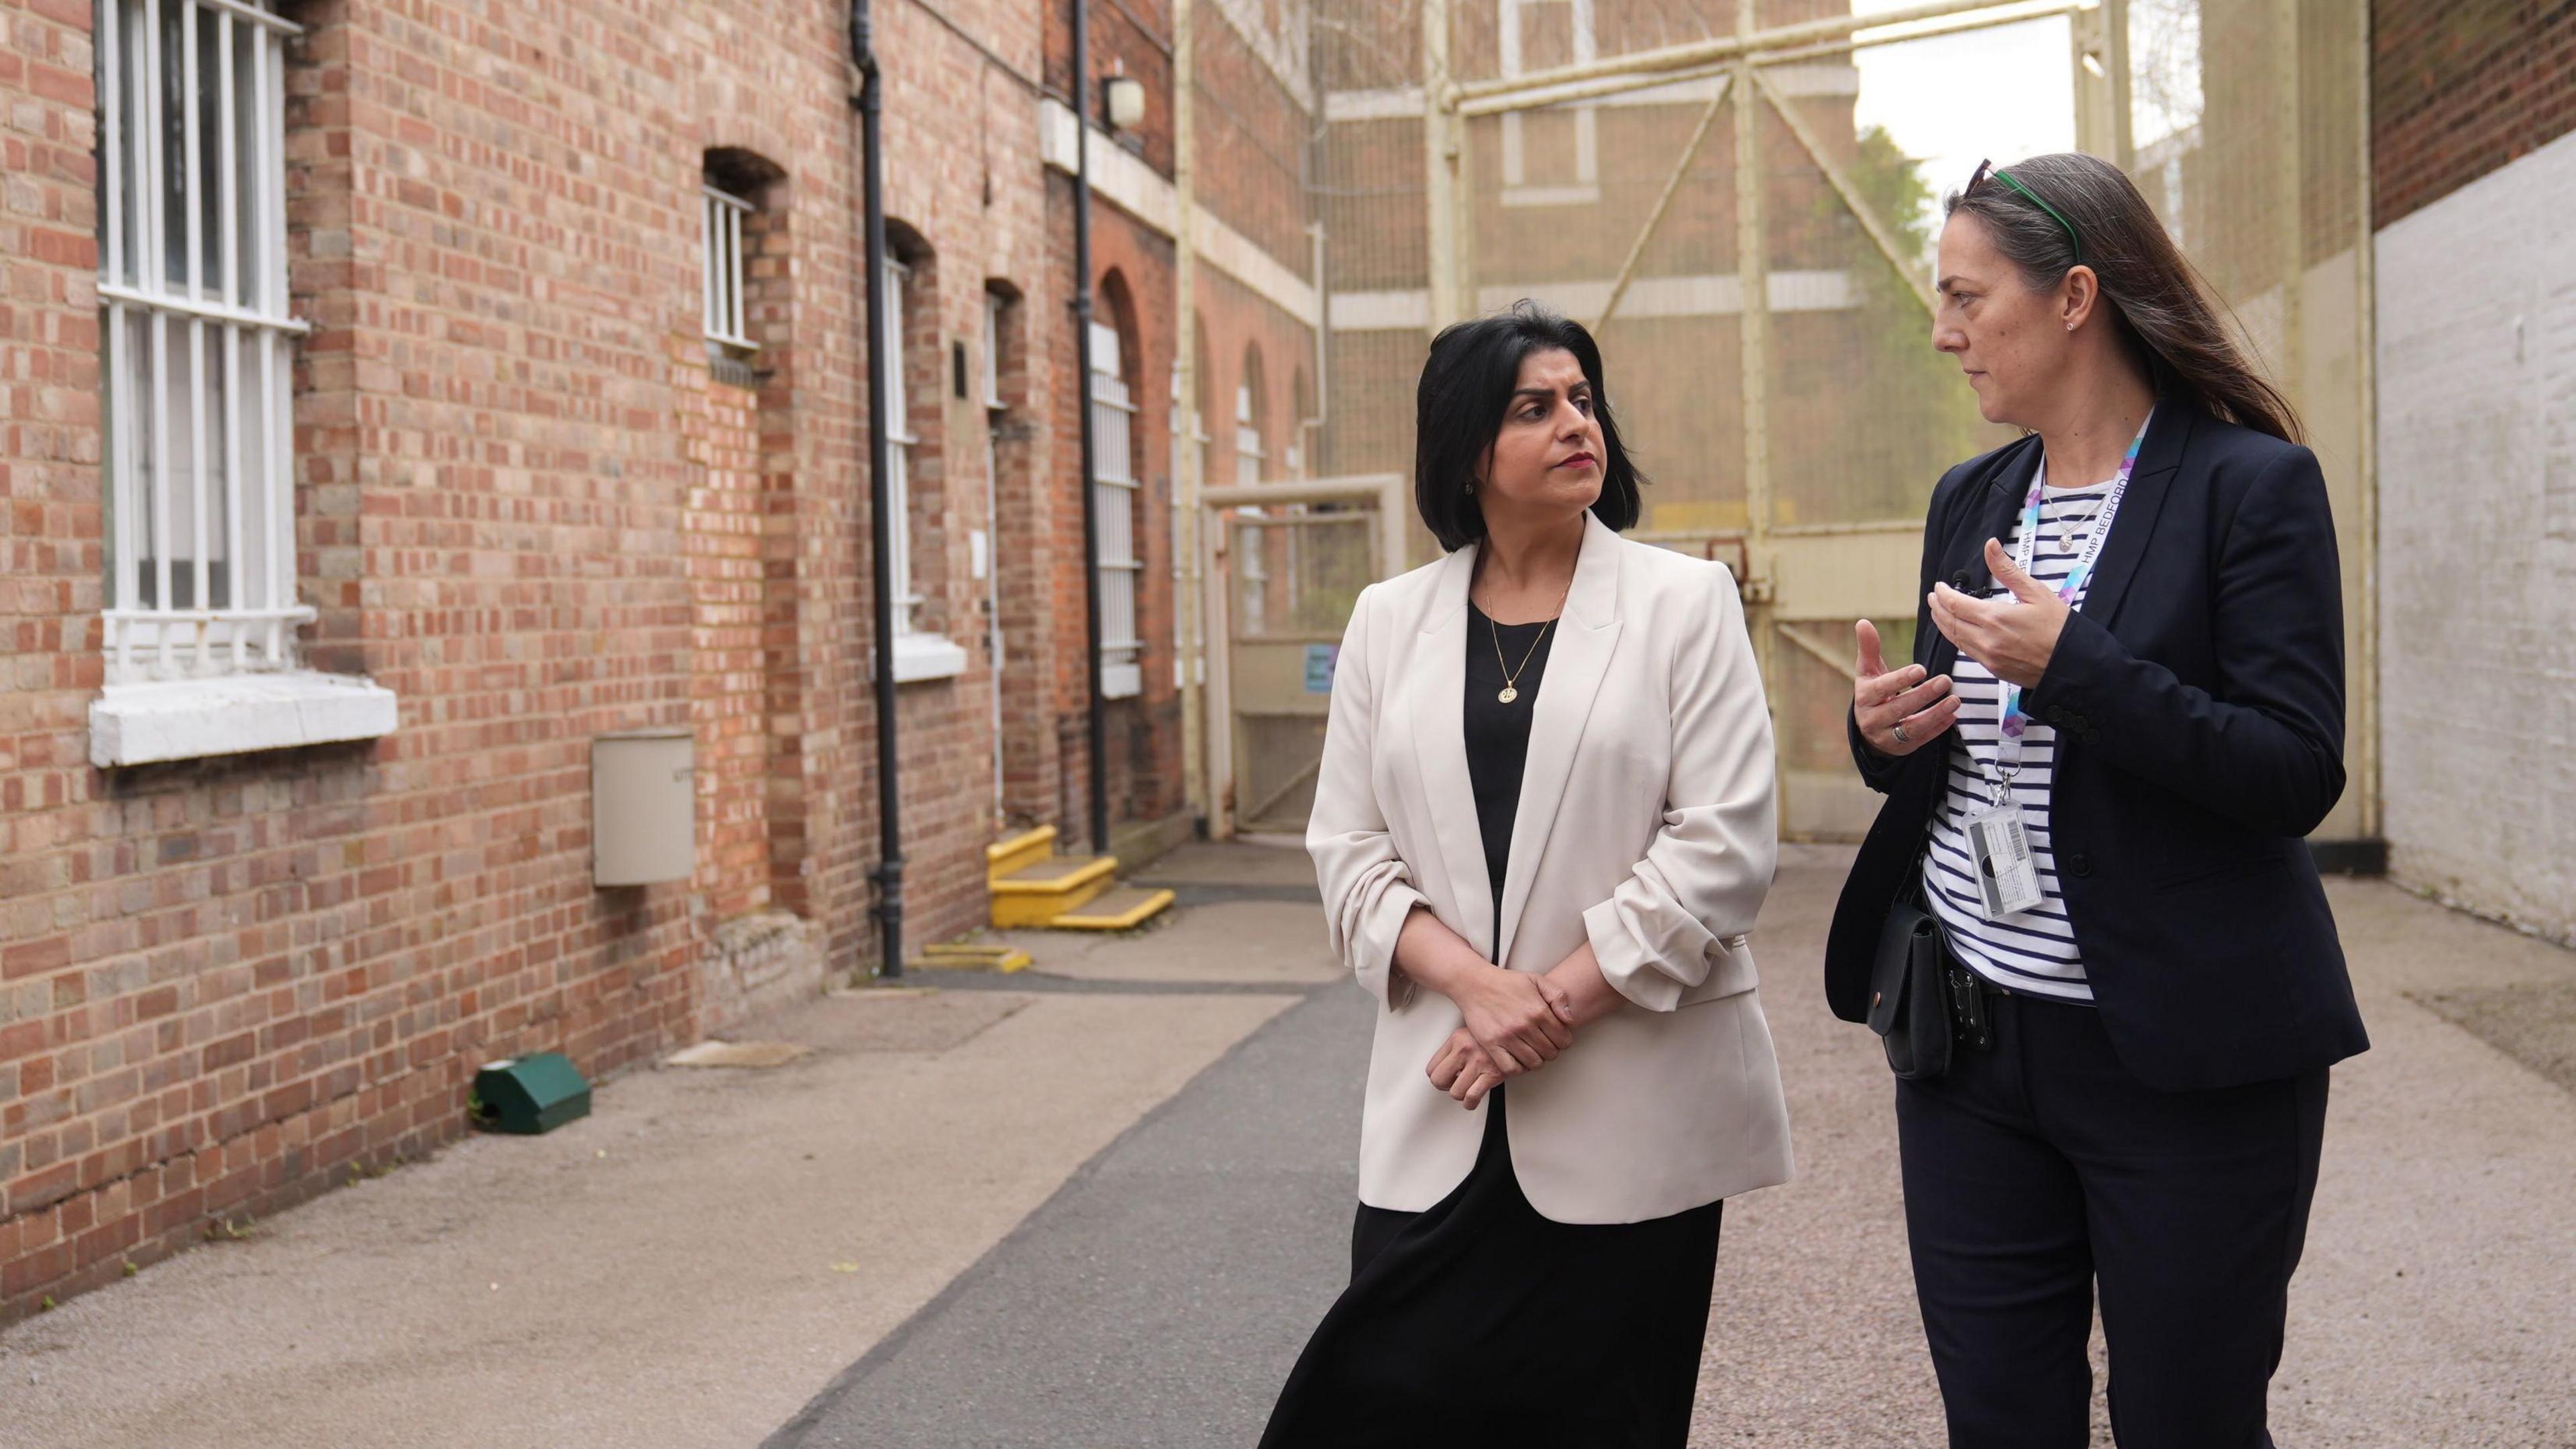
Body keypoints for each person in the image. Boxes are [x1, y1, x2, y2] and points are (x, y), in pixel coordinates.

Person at [1825, 153, 2369, 1449]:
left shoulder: (2251, 486)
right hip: (1966, 1048)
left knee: (2188, 1419)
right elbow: (1963, 748)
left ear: (2075, 298)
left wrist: (2081, 671)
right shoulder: (1977, 494)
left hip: (2181, 1059)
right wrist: (1887, 736)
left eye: (1968, 298)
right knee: (1999, 1419)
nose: (1946, 332)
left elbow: (2295, 770)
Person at [1264, 303, 1790, 1447]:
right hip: (1441, 1106)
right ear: (1465, 449)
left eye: (1584, 401)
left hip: (1630, 1109)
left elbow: (1725, 847)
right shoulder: (1388, 621)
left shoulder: (1682, 605)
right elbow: (1347, 850)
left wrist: (1540, 1007)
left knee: (1605, 1420)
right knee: (1370, 1403)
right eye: (1533, 408)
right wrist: (1482, 990)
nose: (1574, 425)